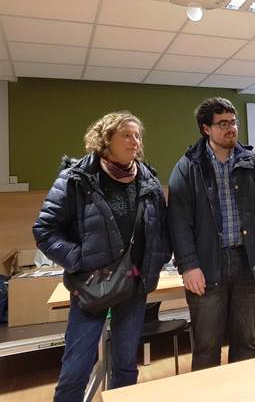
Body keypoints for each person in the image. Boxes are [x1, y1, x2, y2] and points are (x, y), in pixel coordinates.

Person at [33, 112, 169, 402]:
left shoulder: (148, 180)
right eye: (126, 135)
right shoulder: (76, 178)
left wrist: (155, 261)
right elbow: (45, 230)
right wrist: (79, 260)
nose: (135, 142)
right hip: (90, 287)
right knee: (75, 369)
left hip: (133, 286)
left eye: (137, 136)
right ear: (105, 139)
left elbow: (162, 228)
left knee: (125, 366)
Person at [168, 97, 255, 370]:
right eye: (223, 124)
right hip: (207, 265)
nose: (231, 129)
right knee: (206, 347)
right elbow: (178, 222)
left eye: (233, 122)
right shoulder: (188, 167)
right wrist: (188, 266)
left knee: (245, 342)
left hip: (247, 261)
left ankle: (241, 390)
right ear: (206, 128)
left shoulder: (254, 163)